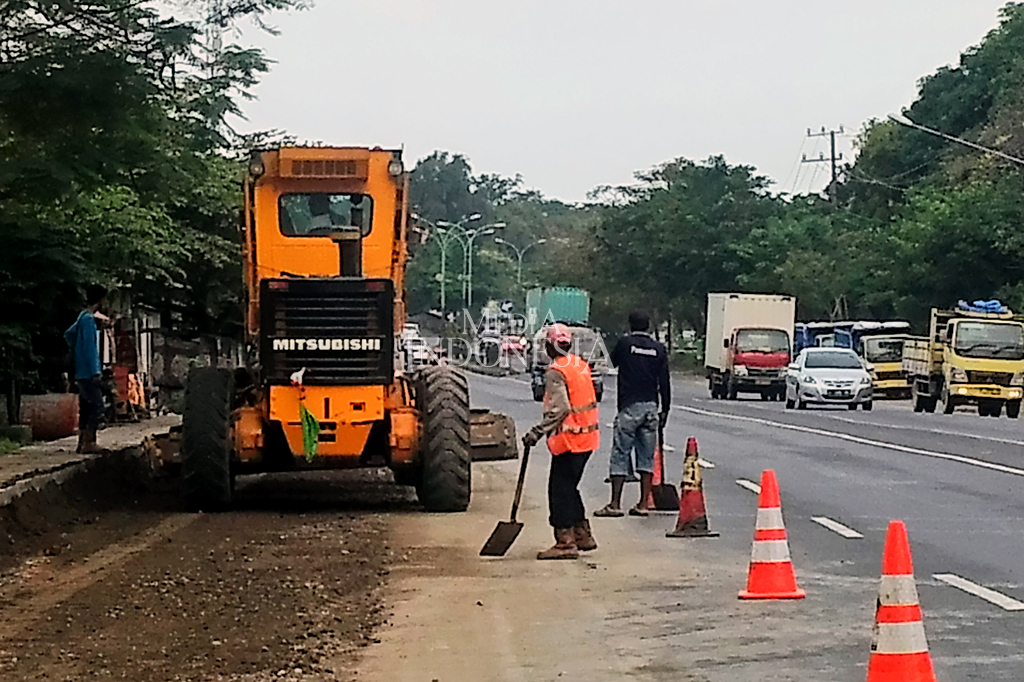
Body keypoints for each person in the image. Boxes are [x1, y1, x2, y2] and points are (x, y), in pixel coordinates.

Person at [522, 324, 600, 560]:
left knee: (559, 491)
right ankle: (582, 534)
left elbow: (560, 409)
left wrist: (536, 432)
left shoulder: (556, 371)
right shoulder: (579, 364)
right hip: (588, 438)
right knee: (569, 487)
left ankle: (565, 542)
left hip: (570, 440)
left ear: (548, 346)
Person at [594, 310, 670, 518]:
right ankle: (643, 504)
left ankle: (615, 504)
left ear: (630, 325)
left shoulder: (625, 344)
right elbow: (664, 382)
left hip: (629, 406)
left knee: (620, 453)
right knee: (646, 457)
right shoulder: (659, 349)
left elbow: (611, 363)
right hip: (651, 407)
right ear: (648, 326)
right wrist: (665, 411)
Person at [65, 285, 109, 454]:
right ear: (100, 301)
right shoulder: (89, 320)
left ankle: (82, 441)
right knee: (97, 407)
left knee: (86, 406)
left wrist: (76, 350)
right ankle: (89, 441)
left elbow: (68, 333)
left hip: (80, 370)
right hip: (89, 371)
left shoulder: (82, 317)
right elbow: (91, 349)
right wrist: (96, 371)